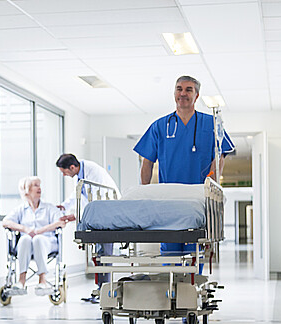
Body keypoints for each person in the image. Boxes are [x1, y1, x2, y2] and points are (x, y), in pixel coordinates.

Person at [133, 75, 235, 258]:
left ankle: (191, 286)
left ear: (196, 96)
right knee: (170, 254)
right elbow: (147, 161)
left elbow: (220, 156)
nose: (183, 93)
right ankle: (172, 287)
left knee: (194, 252)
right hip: (169, 199)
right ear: (174, 93)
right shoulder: (160, 126)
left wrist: (210, 181)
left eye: (189, 89)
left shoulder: (211, 124)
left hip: (198, 197)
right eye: (179, 89)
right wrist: (145, 193)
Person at [55, 153, 119, 304]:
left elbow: (96, 199)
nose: (65, 175)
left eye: (64, 172)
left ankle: (105, 291)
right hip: (98, 218)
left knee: (104, 256)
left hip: (106, 216)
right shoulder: (81, 173)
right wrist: (65, 206)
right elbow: (80, 194)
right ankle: (100, 290)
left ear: (72, 167)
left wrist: (77, 217)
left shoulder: (93, 172)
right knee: (98, 257)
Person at [2, 177, 66, 296]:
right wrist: (25, 229)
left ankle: (43, 280)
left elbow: (61, 222)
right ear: (27, 190)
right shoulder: (21, 209)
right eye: (35, 185)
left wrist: (41, 230)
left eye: (39, 185)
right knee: (25, 238)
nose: (39, 188)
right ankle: (21, 281)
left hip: (47, 242)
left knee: (38, 239)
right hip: (25, 245)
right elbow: (5, 222)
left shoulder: (49, 208)